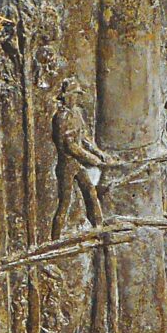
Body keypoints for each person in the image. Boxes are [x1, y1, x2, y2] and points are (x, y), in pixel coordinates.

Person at [50, 78, 119, 237]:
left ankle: (98, 226)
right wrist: (91, 159)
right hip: (67, 165)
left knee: (90, 191)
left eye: (77, 95)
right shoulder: (61, 117)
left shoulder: (77, 113)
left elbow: (86, 138)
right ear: (66, 96)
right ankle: (55, 237)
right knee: (65, 202)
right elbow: (70, 146)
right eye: (73, 94)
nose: (75, 98)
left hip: (79, 163)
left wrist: (101, 154)